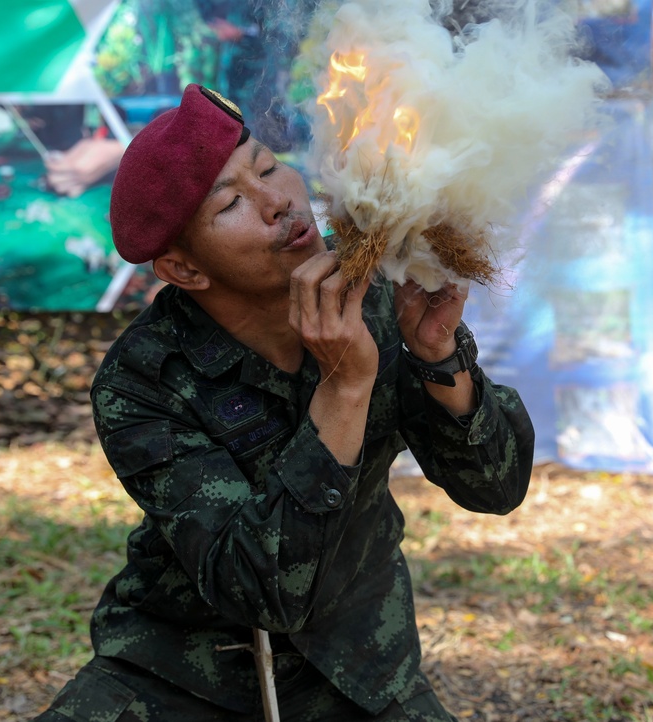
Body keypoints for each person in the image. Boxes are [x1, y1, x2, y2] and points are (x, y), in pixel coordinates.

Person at [32, 83, 535, 721]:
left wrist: (437, 354)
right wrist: (345, 388)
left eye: (268, 167)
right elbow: (262, 591)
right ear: (185, 270)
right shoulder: (143, 380)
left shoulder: (378, 303)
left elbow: (497, 488)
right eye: (231, 203)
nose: (279, 202)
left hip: (361, 662)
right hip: (181, 672)